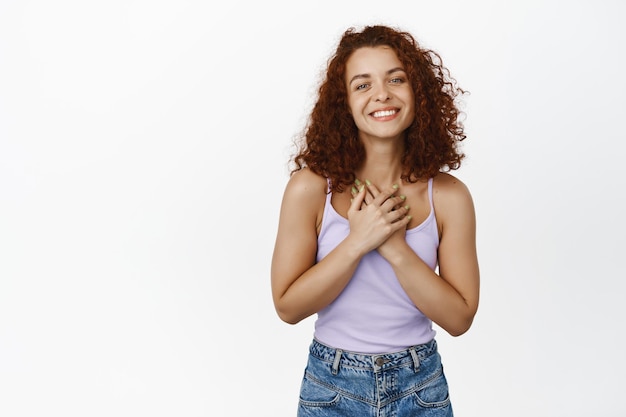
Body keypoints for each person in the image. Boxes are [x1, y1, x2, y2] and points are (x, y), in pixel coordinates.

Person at [271, 24, 479, 417]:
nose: (382, 94)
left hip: (420, 387)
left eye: (396, 79)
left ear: (418, 92)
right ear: (344, 103)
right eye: (362, 85)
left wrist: (395, 249)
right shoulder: (311, 189)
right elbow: (287, 307)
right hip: (331, 388)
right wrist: (358, 242)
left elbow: (459, 318)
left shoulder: (450, 197)